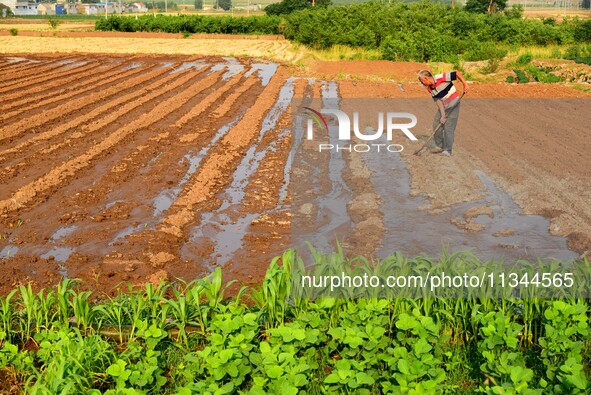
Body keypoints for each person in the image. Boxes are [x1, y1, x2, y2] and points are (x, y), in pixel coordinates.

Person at [418, 69, 469, 156]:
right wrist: (443, 115)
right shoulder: (430, 89)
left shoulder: (440, 78)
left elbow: (457, 73)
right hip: (444, 107)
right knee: (436, 124)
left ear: (426, 78)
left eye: (422, 81)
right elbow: (438, 101)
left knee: (448, 128)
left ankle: (448, 150)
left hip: (454, 104)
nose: (422, 83)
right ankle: (440, 146)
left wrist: (465, 84)